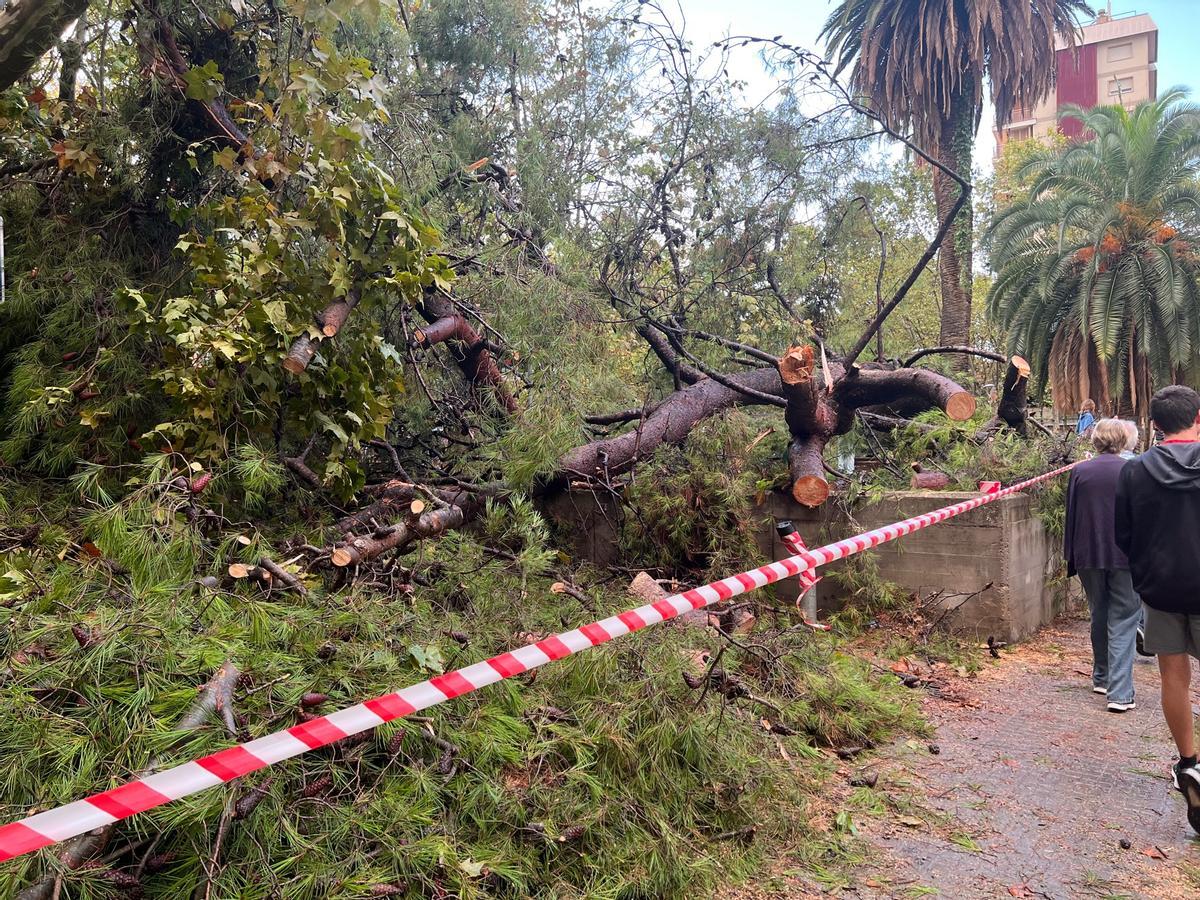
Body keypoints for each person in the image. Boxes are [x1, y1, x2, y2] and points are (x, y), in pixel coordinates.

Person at [1115, 385, 1200, 833]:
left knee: (1173, 677)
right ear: (1198, 417)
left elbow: (1123, 535)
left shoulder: (1136, 471)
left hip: (1161, 590)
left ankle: (1190, 763)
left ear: (1155, 425)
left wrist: (1146, 574)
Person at [1065, 419, 1141, 712]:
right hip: (1127, 556)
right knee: (1124, 618)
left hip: (1088, 553)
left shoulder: (1081, 471)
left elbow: (1072, 513)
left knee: (1099, 610)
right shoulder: (1135, 470)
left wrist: (1071, 556)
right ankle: (1120, 694)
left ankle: (1102, 677)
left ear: (1096, 440)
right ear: (1124, 441)